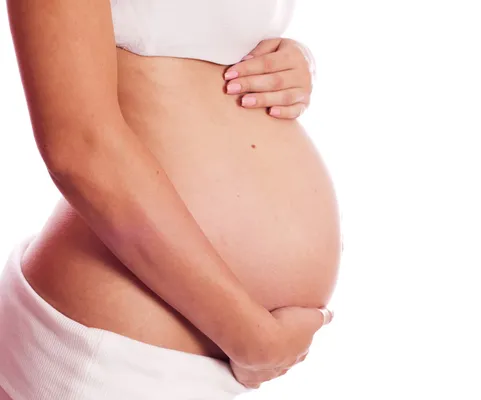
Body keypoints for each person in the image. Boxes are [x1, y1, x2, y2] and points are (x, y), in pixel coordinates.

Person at [0, 1, 342, 399]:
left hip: (205, 352)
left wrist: (292, 62)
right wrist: (255, 339)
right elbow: (79, 150)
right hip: (114, 353)